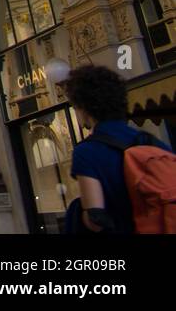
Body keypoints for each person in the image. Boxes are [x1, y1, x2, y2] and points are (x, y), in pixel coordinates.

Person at [64, 64, 172, 233]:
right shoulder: (151, 143)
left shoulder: (87, 152)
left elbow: (96, 219)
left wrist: (76, 211)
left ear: (83, 108)